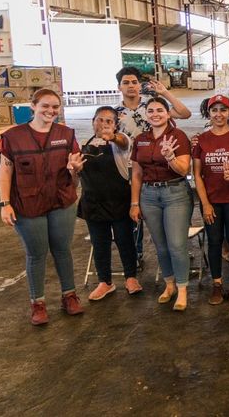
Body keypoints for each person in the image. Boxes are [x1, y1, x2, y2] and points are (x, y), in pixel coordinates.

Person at [0, 89, 84, 325]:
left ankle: (70, 296)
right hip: (27, 204)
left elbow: (75, 166)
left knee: (62, 250)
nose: (50, 111)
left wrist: (75, 168)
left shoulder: (66, 134)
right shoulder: (13, 137)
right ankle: (38, 303)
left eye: (55, 107)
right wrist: (5, 203)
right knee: (36, 254)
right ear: (33, 106)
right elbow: (5, 170)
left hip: (61, 201)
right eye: (45, 106)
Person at [114, 66, 192, 269]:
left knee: (170, 218)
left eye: (134, 82)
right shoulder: (115, 113)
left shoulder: (153, 106)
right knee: (135, 213)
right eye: (126, 83)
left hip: (161, 166)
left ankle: (178, 250)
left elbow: (185, 113)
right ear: (119, 87)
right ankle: (137, 253)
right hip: (130, 167)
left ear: (140, 85)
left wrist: (165, 92)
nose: (131, 86)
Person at [129, 97, 193, 311]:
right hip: (149, 196)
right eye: (151, 110)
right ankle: (169, 285)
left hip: (175, 193)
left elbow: (184, 170)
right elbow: (137, 173)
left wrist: (170, 157)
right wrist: (134, 203)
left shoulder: (178, 136)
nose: (155, 114)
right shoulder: (141, 139)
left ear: (168, 114)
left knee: (176, 244)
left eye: (160, 110)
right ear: (146, 114)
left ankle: (183, 289)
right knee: (161, 246)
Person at [77, 106, 142, 301]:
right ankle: (105, 281)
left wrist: (112, 137)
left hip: (118, 202)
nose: (103, 124)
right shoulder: (82, 144)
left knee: (125, 241)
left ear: (116, 125)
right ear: (92, 121)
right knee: (99, 244)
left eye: (109, 121)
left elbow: (122, 142)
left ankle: (131, 278)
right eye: (100, 120)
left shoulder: (121, 142)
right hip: (92, 203)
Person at [192, 95, 229, 305]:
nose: (218, 114)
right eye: (214, 110)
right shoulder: (202, 140)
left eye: (222, 110)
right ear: (209, 113)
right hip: (212, 200)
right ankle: (216, 284)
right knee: (214, 242)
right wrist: (205, 203)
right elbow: (197, 175)